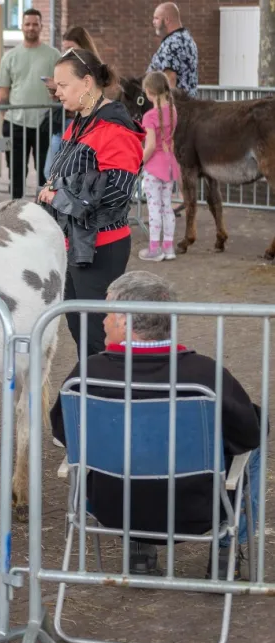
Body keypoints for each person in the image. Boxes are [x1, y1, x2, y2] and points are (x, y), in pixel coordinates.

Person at [50, 271, 263, 579]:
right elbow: (248, 434)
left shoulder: (87, 376)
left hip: (113, 509)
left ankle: (138, 548)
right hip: (195, 511)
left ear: (125, 320)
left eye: (108, 313)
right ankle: (226, 551)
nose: (103, 321)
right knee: (255, 444)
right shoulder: (205, 376)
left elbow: (63, 433)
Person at [39, 48, 144, 358]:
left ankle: (110, 395)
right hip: (76, 243)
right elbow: (64, 173)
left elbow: (118, 191)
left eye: (63, 85)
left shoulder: (114, 128)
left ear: (86, 83)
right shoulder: (82, 122)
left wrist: (60, 195)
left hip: (101, 245)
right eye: (55, 86)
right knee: (80, 329)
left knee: (97, 335)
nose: (57, 93)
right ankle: (97, 392)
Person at [0, 8, 60, 199]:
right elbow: (3, 93)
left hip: (44, 124)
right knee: (15, 171)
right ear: (22, 26)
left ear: (41, 26)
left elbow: (62, 88)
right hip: (15, 125)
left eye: (35, 24)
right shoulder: (9, 56)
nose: (31, 27)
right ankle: (15, 210)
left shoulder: (53, 55)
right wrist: (5, 121)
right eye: (27, 24)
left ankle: (42, 213)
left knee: (45, 171)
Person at [43, 26, 100, 177]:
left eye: (71, 48)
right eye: (65, 49)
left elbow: (88, 98)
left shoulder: (91, 70)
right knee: (50, 171)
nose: (67, 53)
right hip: (64, 124)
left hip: (81, 127)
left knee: (69, 173)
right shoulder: (68, 68)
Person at [138, 71, 180, 263]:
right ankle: (168, 247)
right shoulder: (173, 111)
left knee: (154, 209)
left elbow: (151, 146)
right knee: (167, 208)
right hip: (170, 165)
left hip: (154, 167)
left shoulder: (149, 116)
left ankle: (155, 249)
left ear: (149, 92)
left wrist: (139, 162)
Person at [148, 2, 198, 98]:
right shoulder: (187, 38)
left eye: (156, 18)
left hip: (174, 107)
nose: (153, 22)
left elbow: (170, 78)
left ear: (167, 20)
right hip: (188, 105)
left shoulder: (172, 43)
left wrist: (167, 108)